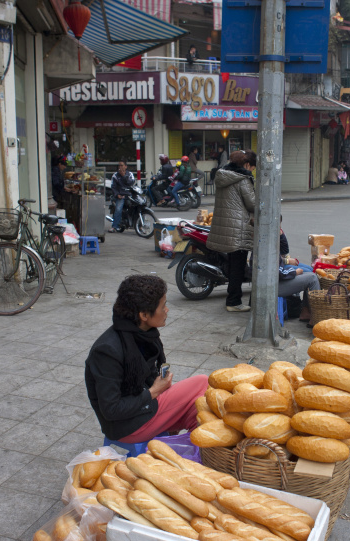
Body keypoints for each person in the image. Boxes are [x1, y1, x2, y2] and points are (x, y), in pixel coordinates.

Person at [85, 275, 208, 443]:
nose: (167, 310)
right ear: (144, 314)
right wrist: (154, 391)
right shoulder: (107, 350)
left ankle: (194, 458)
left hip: (145, 409)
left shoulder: (145, 335)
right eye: (163, 306)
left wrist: (158, 388)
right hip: (127, 427)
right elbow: (111, 409)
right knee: (202, 382)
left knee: (201, 408)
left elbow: (147, 376)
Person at [207, 149, 256, 312]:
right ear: (247, 164)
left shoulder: (223, 177)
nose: (252, 171)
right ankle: (233, 302)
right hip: (238, 229)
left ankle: (232, 298)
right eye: (253, 167)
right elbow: (252, 204)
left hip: (228, 227)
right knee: (238, 267)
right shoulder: (242, 179)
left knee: (234, 265)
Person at [278, 224, 320, 325]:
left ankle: (306, 311)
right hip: (274, 285)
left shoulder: (268, 240)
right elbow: (279, 272)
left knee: (309, 272)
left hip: (278, 277)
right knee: (312, 278)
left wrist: (281, 235)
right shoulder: (266, 245)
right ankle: (317, 317)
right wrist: (294, 272)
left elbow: (284, 251)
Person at [110, 159, 135, 233]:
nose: (120, 167)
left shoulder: (130, 174)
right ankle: (114, 226)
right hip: (120, 195)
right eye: (119, 165)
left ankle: (139, 225)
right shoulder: (115, 175)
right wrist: (117, 195)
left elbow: (131, 183)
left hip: (129, 194)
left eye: (122, 165)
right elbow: (113, 187)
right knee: (118, 209)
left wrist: (124, 176)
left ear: (126, 166)